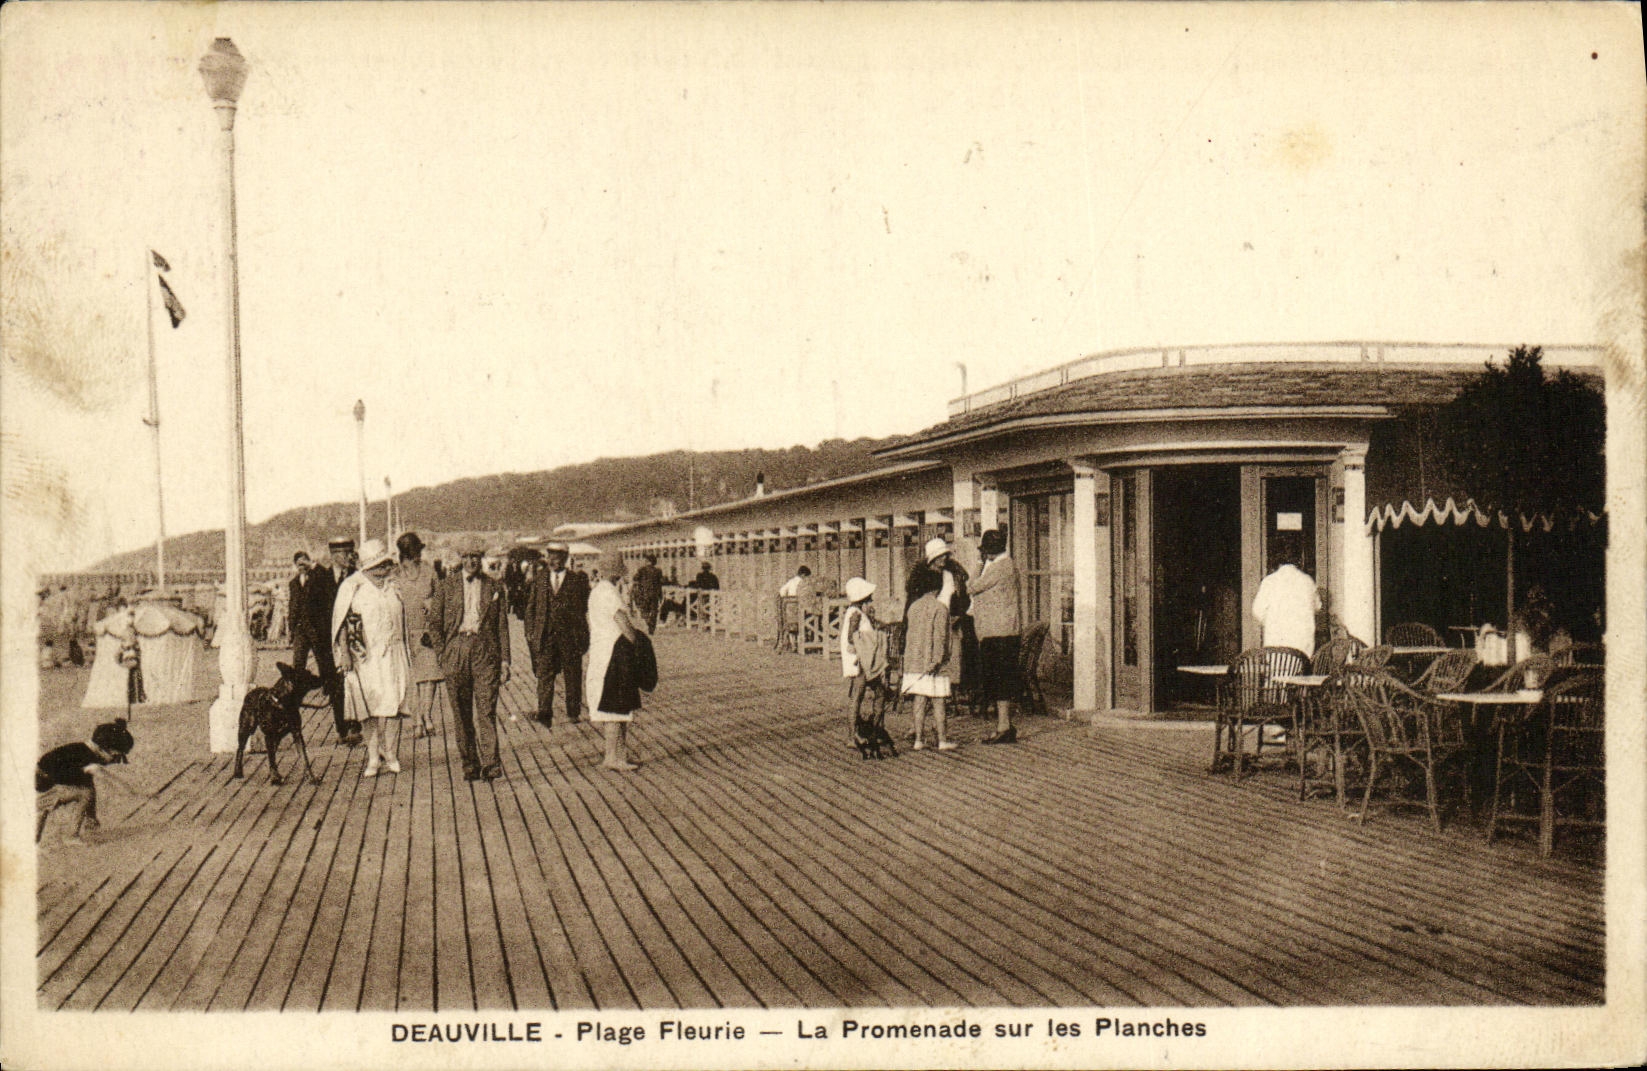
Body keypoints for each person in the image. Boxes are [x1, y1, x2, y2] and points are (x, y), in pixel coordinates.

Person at [429, 537, 512, 781]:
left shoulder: (494, 586)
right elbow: (434, 624)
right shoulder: (446, 586)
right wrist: (443, 654)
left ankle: (491, 763)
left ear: (482, 558)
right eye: (466, 557)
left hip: (485, 651)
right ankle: (470, 763)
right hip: (456, 649)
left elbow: (502, 626)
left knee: (486, 709)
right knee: (462, 712)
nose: (471, 561)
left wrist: (505, 660)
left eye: (475, 556)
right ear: (460, 559)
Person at [332, 539, 411, 777]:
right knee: (369, 706)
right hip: (364, 657)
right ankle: (374, 756)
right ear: (366, 568)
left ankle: (392, 753)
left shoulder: (393, 585)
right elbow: (341, 624)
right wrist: (344, 654)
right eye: (378, 567)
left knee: (395, 702)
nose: (384, 570)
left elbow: (403, 620)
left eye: (386, 565)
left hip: (393, 652)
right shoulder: (351, 587)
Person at [291, 545, 361, 746]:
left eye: (350, 553)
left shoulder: (356, 576)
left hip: (353, 641)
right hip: (327, 644)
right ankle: (342, 728)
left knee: (354, 683)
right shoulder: (320, 578)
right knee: (335, 685)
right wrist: (321, 638)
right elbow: (310, 609)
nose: (349, 557)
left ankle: (355, 725)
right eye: (344, 554)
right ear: (334, 556)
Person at [586, 552, 650, 771]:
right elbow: (623, 623)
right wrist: (639, 644)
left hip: (600, 652)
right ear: (617, 573)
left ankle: (616, 755)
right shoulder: (610, 594)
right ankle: (613, 757)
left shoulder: (596, 591)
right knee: (615, 707)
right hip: (614, 653)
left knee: (613, 706)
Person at [36, 718, 140, 844]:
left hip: (49, 782)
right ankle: (71, 836)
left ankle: (91, 824)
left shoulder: (83, 750)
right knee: (85, 793)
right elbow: (109, 779)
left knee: (87, 788)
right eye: (115, 756)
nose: (114, 761)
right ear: (102, 749)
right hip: (44, 787)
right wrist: (133, 792)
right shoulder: (88, 759)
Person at [525, 541, 591, 727]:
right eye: (551, 556)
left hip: (569, 637)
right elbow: (531, 607)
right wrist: (530, 631)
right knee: (544, 674)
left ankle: (573, 712)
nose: (554, 560)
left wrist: (582, 638)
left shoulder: (576, 580)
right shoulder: (540, 578)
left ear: (565, 558)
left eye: (558, 556)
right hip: (546, 636)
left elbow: (583, 609)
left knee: (572, 675)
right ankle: (544, 711)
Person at [969, 528, 1021, 744]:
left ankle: (1004, 726)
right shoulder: (1008, 566)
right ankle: (1004, 725)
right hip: (1003, 631)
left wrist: (979, 564)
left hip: (998, 633)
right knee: (1002, 681)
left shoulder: (998, 567)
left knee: (999, 681)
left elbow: (972, 586)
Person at [392, 531, 444, 739]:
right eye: (415, 551)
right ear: (407, 553)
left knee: (429, 677)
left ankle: (427, 716)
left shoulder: (429, 571)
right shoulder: (395, 575)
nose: (418, 555)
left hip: (427, 631)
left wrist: (432, 607)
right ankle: (416, 721)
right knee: (412, 679)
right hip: (404, 633)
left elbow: (439, 598)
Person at [901, 565, 956, 751]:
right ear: (938, 587)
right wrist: (937, 660)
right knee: (938, 702)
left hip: (914, 663)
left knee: (919, 701)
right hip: (934, 664)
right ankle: (942, 740)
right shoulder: (940, 608)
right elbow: (940, 637)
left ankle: (918, 740)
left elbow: (910, 637)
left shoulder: (913, 607)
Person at [1251, 541, 1321, 657]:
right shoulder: (1308, 581)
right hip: (1304, 653)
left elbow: (1257, 611)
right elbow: (1317, 607)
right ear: (1300, 559)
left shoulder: (1269, 582)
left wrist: (1270, 621)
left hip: (1276, 652)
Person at [839, 577, 880, 746]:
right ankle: (853, 735)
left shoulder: (855, 611)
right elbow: (851, 636)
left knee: (857, 695)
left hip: (858, 658)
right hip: (859, 659)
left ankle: (856, 733)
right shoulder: (856, 614)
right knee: (857, 695)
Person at [630, 554, 664, 634]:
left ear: (648, 561)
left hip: (644, 593)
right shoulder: (658, 571)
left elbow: (635, 578)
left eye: (645, 561)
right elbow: (660, 583)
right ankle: (651, 628)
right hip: (655, 593)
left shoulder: (642, 570)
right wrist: (660, 595)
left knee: (644, 609)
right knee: (654, 611)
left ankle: (648, 620)